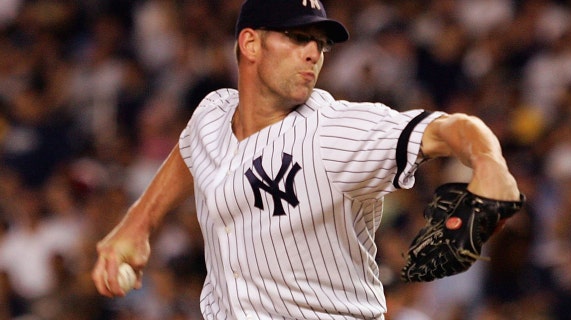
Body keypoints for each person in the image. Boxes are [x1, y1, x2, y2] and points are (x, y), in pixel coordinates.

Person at [91, 0, 521, 319]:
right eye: (298, 39)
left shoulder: (334, 132)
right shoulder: (213, 112)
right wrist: (138, 223)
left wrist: (489, 162)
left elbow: (447, 129)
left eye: (320, 44)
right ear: (250, 44)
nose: (314, 53)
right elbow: (189, 152)